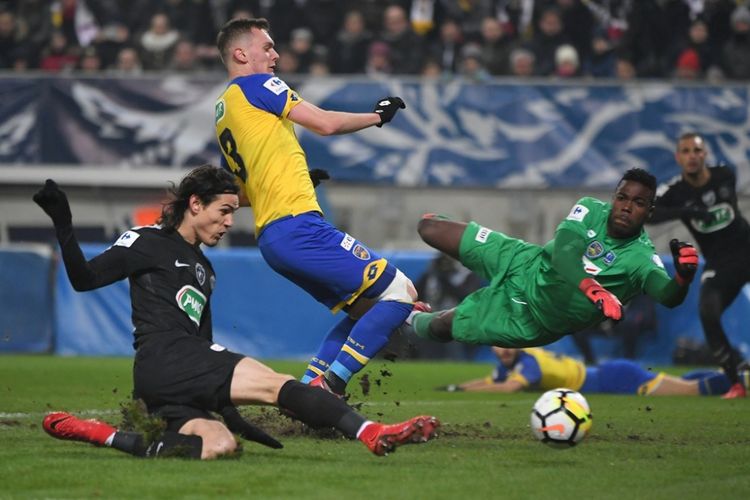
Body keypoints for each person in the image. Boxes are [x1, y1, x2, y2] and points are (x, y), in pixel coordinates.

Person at [33, 166, 439, 459]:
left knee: (219, 445)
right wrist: (63, 222)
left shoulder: (204, 269)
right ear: (194, 204)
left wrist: (231, 415)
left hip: (168, 375)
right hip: (164, 356)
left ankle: (100, 434)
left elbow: (203, 345)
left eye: (233, 213)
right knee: (278, 385)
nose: (229, 222)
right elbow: (84, 279)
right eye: (223, 211)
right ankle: (371, 433)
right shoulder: (147, 240)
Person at [213, 18, 415, 396]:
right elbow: (324, 124)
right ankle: (332, 384)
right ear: (241, 54)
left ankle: (308, 394)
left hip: (274, 238)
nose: (275, 55)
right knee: (401, 293)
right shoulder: (257, 85)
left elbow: (237, 194)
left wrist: (300, 178)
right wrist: (377, 116)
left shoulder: (225, 108)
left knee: (365, 310)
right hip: (299, 228)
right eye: (267, 47)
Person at [409, 168, 699, 354]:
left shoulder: (640, 258)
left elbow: (667, 295)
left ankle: (407, 317)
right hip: (523, 260)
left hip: (532, 318)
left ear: (650, 212)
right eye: (622, 197)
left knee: (441, 327)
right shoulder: (589, 209)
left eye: (637, 203)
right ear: (614, 198)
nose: (626, 207)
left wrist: (683, 278)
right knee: (429, 227)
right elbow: (563, 254)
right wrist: (593, 289)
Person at [650, 132, 750, 399]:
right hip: (719, 263)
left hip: (746, 250)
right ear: (678, 157)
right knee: (708, 311)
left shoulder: (724, 175)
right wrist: (684, 211)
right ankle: (736, 382)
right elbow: (649, 212)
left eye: (696, 150)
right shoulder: (674, 191)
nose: (692, 156)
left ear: (704, 154)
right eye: (685, 151)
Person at [439, 346, 748, 396]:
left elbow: (509, 388)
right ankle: (728, 372)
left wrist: (462, 390)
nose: (502, 351)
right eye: (497, 346)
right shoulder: (514, 360)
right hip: (607, 373)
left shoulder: (526, 363)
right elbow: (490, 380)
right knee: (679, 383)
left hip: (615, 380)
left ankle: (740, 378)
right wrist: (459, 388)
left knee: (689, 392)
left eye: (505, 346)